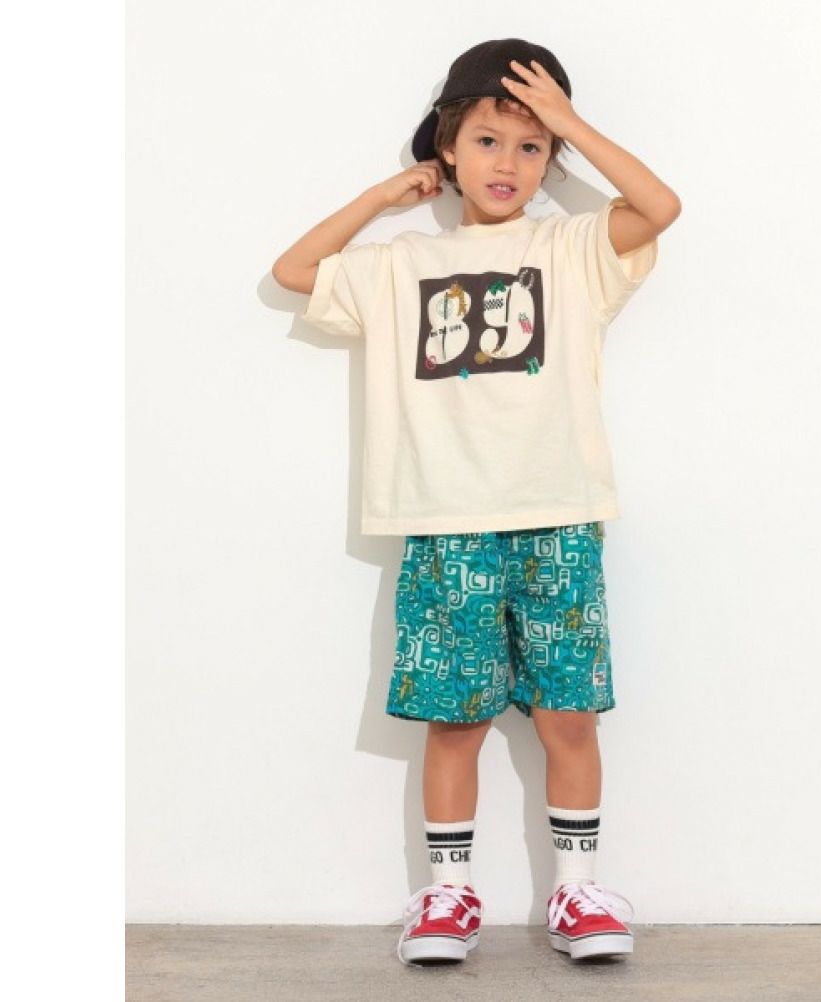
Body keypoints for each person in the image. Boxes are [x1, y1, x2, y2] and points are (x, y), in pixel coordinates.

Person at [272, 37, 682, 968]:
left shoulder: (571, 248)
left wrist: (572, 122)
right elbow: (295, 270)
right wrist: (381, 197)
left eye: (533, 147)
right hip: (445, 521)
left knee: (568, 714)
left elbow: (660, 207)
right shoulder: (403, 263)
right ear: (449, 150)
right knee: (455, 718)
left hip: (558, 512)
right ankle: (448, 893)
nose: (509, 163)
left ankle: (578, 888)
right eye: (489, 141)